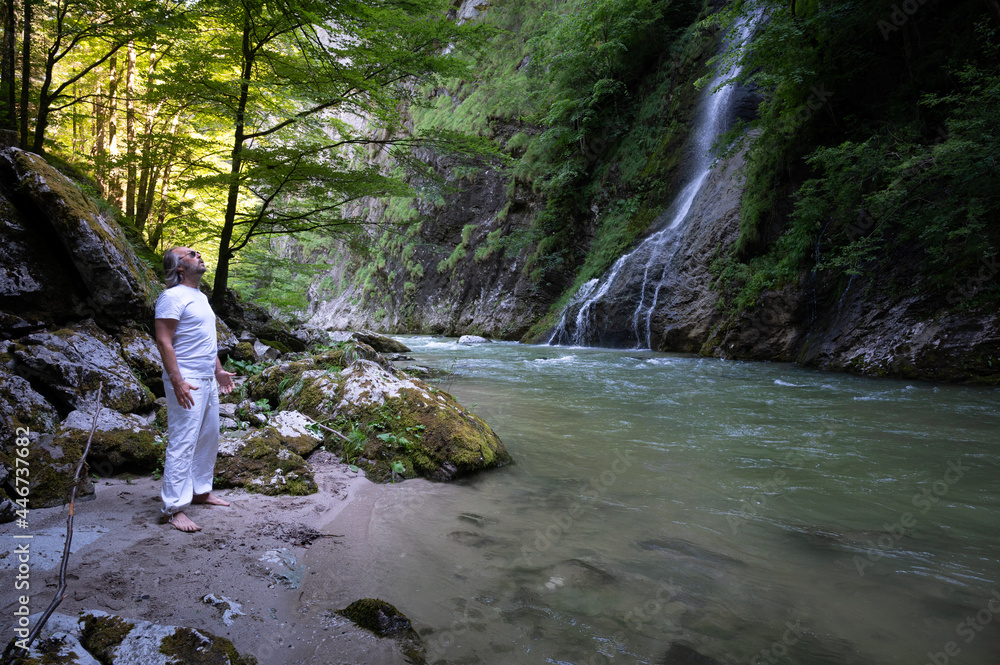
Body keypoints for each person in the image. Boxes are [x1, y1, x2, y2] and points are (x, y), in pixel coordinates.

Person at [154, 247, 236, 532]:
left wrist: (218, 370)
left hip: (206, 379)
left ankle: (200, 491)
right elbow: (164, 341)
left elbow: (205, 340)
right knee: (183, 441)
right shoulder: (171, 297)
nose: (199, 255)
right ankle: (173, 509)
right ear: (179, 267)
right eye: (191, 253)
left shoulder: (200, 297)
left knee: (208, 437)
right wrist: (177, 380)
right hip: (186, 378)